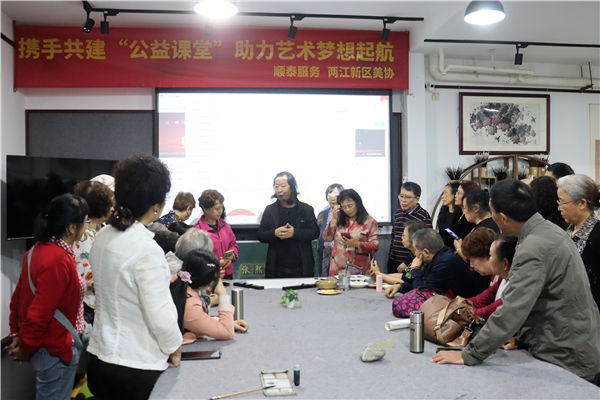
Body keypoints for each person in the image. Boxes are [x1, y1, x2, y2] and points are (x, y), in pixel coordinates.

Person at [432, 179, 600, 386]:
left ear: (502, 218)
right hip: (571, 342)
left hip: (567, 355)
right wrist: (523, 337)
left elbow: (513, 307)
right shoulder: (549, 231)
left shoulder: (533, 247)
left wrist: (470, 354)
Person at [87, 155, 183, 400]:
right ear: (157, 206)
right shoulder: (146, 250)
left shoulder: (102, 237)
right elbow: (159, 315)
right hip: (136, 366)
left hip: (99, 357)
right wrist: (174, 346)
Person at [8, 193, 89, 400]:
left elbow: (18, 299)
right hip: (55, 349)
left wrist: (17, 334)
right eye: (85, 222)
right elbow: (40, 312)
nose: (86, 227)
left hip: (46, 347)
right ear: (71, 228)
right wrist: (25, 346)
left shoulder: (36, 250)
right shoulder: (58, 260)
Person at [170, 249, 248, 344]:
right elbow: (227, 332)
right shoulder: (191, 306)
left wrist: (219, 321)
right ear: (208, 281)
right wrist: (223, 294)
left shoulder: (176, 281)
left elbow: (196, 320)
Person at [393, 228, 488, 298]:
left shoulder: (445, 262)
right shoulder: (439, 255)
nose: (415, 255)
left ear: (426, 252)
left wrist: (415, 269)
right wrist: (400, 287)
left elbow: (423, 292)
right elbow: (425, 282)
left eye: (416, 250)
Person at [257, 172, 320, 278]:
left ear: (292, 187)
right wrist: (274, 233)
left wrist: (294, 233)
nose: (279, 190)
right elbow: (260, 235)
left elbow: (315, 232)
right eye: (276, 187)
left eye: (283, 186)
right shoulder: (270, 210)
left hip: (302, 267)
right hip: (275, 267)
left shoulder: (306, 209)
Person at [72, 180, 114, 323]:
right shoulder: (86, 236)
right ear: (101, 206)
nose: (113, 209)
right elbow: (87, 275)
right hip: (85, 307)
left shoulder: (86, 230)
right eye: (110, 204)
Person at [557, 174, 600, 309]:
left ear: (582, 203)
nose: (559, 208)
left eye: (562, 202)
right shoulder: (568, 230)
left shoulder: (596, 236)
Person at [461, 229, 517, 319]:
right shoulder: (502, 277)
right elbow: (486, 296)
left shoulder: (515, 287)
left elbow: (491, 311)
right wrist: (462, 304)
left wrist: (466, 311)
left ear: (505, 263)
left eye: (490, 256)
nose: (471, 265)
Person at [323, 189, 379, 276]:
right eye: (344, 207)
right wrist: (333, 219)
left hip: (358, 269)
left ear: (357, 204)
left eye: (350, 206)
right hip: (337, 267)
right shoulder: (339, 219)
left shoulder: (370, 222)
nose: (347, 210)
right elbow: (327, 238)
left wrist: (356, 244)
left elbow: (375, 246)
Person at [193, 190, 238, 279]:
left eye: (221, 207)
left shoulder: (224, 225)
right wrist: (217, 264)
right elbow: (197, 259)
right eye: (217, 208)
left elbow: (233, 244)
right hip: (208, 277)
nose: (220, 211)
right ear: (206, 209)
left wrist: (232, 255)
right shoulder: (198, 230)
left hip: (227, 274)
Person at [371, 220, 428, 290]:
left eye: (403, 235)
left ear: (413, 238)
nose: (401, 237)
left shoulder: (422, 259)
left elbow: (406, 283)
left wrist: (380, 275)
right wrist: (380, 275)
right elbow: (404, 276)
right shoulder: (415, 257)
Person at [388, 182, 432, 272]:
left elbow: (424, 244)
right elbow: (394, 237)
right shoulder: (398, 213)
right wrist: (390, 256)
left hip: (411, 263)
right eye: (401, 196)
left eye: (407, 197)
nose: (403, 200)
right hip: (393, 260)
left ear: (417, 199)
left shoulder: (423, 216)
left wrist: (407, 262)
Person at [454, 189, 499, 260]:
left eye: (465, 208)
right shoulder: (492, 223)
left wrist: (459, 248)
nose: (464, 212)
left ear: (476, 208)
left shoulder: (484, 230)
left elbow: (474, 259)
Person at [316, 183, 344, 277]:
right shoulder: (322, 214)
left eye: (336, 195)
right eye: (329, 195)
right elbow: (318, 233)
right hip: (324, 253)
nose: (332, 198)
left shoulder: (346, 213)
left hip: (340, 254)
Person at [436, 181, 463, 248]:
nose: (442, 196)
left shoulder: (461, 214)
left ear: (454, 195)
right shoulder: (443, 211)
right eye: (443, 193)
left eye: (446, 193)